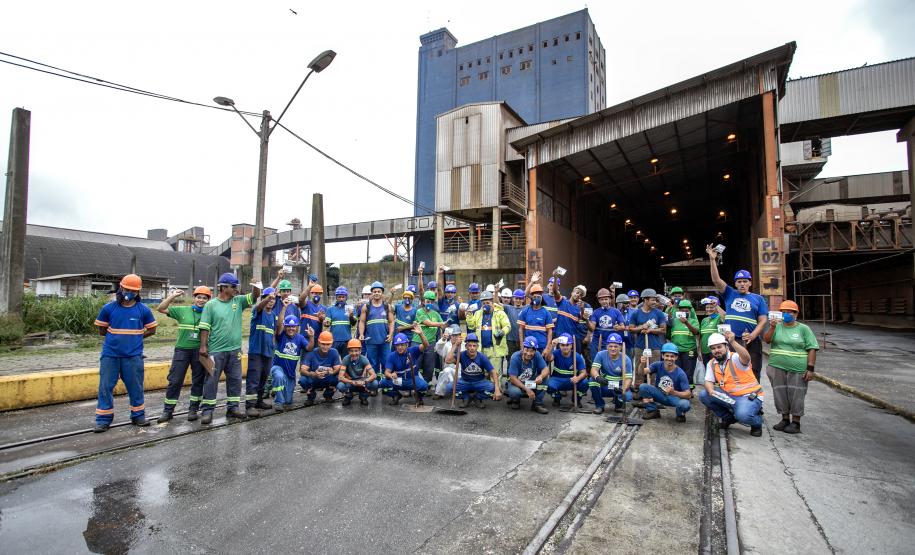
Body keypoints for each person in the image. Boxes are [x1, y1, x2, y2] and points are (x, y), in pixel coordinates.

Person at [92, 274, 157, 432]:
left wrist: (135, 337)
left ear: (138, 292)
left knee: (135, 387)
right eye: (126, 289)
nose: (128, 292)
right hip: (110, 355)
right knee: (105, 387)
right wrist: (118, 338)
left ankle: (138, 416)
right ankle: (103, 419)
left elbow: (152, 329)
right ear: (120, 288)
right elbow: (102, 330)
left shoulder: (143, 310)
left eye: (132, 290)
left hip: (133, 356)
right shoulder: (108, 308)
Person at [198, 272, 260, 425]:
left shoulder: (238, 301)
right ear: (223, 287)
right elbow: (204, 327)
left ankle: (233, 408)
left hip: (235, 351)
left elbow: (254, 297)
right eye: (233, 287)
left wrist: (256, 286)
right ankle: (207, 410)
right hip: (216, 351)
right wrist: (203, 345)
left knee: (235, 380)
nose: (235, 290)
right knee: (211, 380)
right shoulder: (211, 305)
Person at [706, 244, 769, 380]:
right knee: (730, 369)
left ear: (750, 283)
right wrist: (712, 260)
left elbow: (763, 321)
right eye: (739, 281)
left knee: (753, 370)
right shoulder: (730, 294)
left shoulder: (758, 299)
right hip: (731, 339)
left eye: (745, 281)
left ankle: (753, 397)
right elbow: (716, 280)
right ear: (735, 284)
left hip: (751, 341)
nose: (742, 284)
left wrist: (753, 335)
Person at [156, 286, 211, 423]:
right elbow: (161, 309)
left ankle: (193, 410)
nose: (201, 300)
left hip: (200, 351)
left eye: (204, 298)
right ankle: (168, 411)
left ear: (208, 300)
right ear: (194, 298)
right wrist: (172, 296)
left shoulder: (210, 314)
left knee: (198, 381)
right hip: (182, 350)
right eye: (199, 297)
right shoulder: (182, 310)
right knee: (175, 380)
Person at [762, 300, 818, 434]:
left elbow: (812, 348)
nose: (786, 314)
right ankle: (785, 419)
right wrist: (772, 327)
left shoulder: (803, 329)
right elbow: (767, 340)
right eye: (784, 312)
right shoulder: (777, 327)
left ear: (796, 314)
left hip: (797, 368)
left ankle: (796, 422)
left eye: (789, 312)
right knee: (780, 393)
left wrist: (810, 369)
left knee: (796, 394)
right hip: (776, 366)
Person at [698, 332, 764, 437]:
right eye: (713, 348)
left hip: (748, 396)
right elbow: (708, 381)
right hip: (729, 396)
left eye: (719, 347)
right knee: (704, 395)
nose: (717, 350)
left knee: (743, 415)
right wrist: (711, 390)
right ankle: (728, 418)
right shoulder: (711, 363)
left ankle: (757, 422)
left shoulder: (735, 358)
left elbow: (746, 358)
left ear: (726, 346)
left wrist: (733, 341)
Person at [243, 287, 278, 417]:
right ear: (263, 299)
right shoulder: (257, 311)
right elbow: (259, 306)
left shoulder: (273, 316)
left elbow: (276, 332)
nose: (271, 301)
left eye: (273, 299)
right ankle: (250, 405)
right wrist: (269, 295)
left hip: (268, 352)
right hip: (256, 351)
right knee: (254, 378)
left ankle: (258, 401)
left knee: (263, 377)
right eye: (268, 298)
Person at [627, 288, 667, 401]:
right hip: (640, 346)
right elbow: (631, 329)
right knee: (639, 369)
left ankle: (652, 391)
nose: (655, 302)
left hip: (655, 347)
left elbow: (663, 330)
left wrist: (650, 330)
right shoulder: (636, 314)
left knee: (654, 369)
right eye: (652, 300)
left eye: (655, 300)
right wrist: (641, 327)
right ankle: (638, 390)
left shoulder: (659, 313)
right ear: (645, 300)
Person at [269, 309, 313, 411]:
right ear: (285, 327)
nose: (291, 329)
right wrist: (283, 308)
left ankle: (278, 389)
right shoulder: (281, 335)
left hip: (290, 374)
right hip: (277, 368)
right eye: (288, 326)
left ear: (297, 327)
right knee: (278, 376)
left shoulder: (300, 338)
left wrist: (311, 337)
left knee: (288, 401)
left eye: (293, 326)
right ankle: (278, 402)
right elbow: (279, 324)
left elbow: (309, 348)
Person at [466, 290, 512, 388]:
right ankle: (486, 391)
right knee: (483, 373)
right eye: (483, 303)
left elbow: (507, 326)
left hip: (495, 349)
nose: (486, 305)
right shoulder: (478, 313)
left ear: (492, 303)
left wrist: (502, 332)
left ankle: (497, 390)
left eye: (488, 303)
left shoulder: (500, 313)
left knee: (495, 372)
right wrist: (469, 315)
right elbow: (471, 326)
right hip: (481, 349)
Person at [638, 342, 692, 422]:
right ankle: (653, 410)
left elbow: (688, 394)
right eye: (667, 356)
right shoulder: (658, 365)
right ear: (663, 356)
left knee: (685, 404)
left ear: (676, 357)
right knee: (643, 387)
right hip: (659, 394)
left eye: (672, 356)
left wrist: (674, 392)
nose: (669, 358)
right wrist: (642, 364)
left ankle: (680, 414)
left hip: (673, 398)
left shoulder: (681, 373)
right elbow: (641, 372)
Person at [446, 333, 501, 408]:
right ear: (466, 347)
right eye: (469, 345)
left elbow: (493, 372)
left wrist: (497, 389)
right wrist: (455, 345)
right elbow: (447, 360)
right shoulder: (461, 354)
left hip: (480, 382)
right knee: (449, 388)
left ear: (477, 347)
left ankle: (478, 397)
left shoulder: (482, 357)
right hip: (464, 381)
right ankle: (466, 397)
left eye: (474, 346)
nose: (472, 348)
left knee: (493, 388)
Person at [381, 326, 430, 405]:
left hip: (412, 379)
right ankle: (396, 395)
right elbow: (387, 372)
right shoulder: (391, 356)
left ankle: (418, 396)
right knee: (383, 384)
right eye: (397, 345)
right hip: (399, 380)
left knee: (424, 386)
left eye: (402, 345)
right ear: (395, 346)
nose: (400, 347)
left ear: (407, 344)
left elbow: (426, 345)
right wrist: (391, 375)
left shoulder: (413, 350)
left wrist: (421, 334)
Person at [358, 281, 395, 384]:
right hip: (371, 341)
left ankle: (385, 385)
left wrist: (391, 334)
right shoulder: (367, 307)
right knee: (372, 364)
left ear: (382, 293)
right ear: (372, 293)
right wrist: (361, 334)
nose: (376, 293)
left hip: (384, 341)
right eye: (374, 291)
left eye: (379, 291)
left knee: (386, 363)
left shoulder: (387, 306)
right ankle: (374, 385)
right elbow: (361, 322)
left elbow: (392, 322)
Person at [588, 333, 633, 414]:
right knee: (592, 381)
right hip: (606, 384)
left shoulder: (626, 359)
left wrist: (623, 388)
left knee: (628, 396)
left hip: (619, 386)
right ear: (607, 346)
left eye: (615, 346)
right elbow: (593, 370)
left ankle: (618, 404)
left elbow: (628, 378)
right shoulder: (600, 354)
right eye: (610, 346)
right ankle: (599, 406)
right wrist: (597, 377)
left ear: (620, 347)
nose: (613, 348)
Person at [506, 337, 550, 414]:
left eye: (532, 351)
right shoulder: (515, 357)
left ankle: (537, 404)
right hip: (516, 384)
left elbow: (546, 369)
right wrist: (527, 389)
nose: (529, 353)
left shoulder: (537, 355)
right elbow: (513, 379)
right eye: (527, 350)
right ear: (523, 348)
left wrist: (541, 376)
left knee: (545, 378)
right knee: (515, 393)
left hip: (529, 383)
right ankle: (515, 400)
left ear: (535, 350)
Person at [544, 333, 588, 409]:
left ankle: (576, 399)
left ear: (571, 345)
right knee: (547, 385)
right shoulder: (556, 353)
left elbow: (584, 373)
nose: (565, 347)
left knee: (585, 383)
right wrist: (552, 346)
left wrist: (578, 378)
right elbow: (548, 358)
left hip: (571, 380)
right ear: (559, 345)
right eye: (562, 345)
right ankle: (557, 398)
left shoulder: (576, 356)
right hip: (557, 379)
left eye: (567, 345)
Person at [299, 331, 343, 406]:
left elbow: (338, 368)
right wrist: (313, 374)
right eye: (323, 344)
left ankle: (329, 394)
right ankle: (311, 395)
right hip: (314, 379)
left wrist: (332, 372)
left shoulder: (334, 352)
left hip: (327, 378)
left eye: (328, 344)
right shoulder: (311, 352)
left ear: (331, 344)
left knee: (338, 377)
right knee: (303, 380)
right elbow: (302, 370)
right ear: (319, 343)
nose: (325, 347)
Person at [414, 290, 447, 383]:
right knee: (415, 365)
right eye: (428, 301)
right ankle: (414, 387)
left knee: (429, 367)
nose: (430, 303)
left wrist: (448, 326)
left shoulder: (435, 314)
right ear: (424, 301)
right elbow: (428, 323)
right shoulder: (419, 311)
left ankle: (425, 386)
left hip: (431, 344)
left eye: (432, 301)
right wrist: (441, 323)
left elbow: (443, 325)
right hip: (418, 342)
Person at [669, 299, 700, 388]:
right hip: (676, 351)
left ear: (690, 311)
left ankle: (688, 390)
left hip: (689, 350)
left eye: (686, 310)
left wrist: (686, 322)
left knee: (688, 373)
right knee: (676, 371)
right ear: (679, 311)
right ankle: (678, 389)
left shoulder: (693, 321)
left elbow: (696, 332)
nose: (684, 312)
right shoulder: (673, 321)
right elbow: (667, 333)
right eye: (682, 310)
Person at [337, 338, 378, 406]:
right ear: (348, 351)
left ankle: (363, 396)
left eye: (356, 351)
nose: (354, 353)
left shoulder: (364, 359)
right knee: (340, 385)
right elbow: (340, 377)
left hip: (362, 382)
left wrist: (365, 381)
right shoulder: (345, 359)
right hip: (351, 381)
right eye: (351, 351)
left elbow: (374, 375)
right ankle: (348, 396)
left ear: (360, 351)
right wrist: (352, 382)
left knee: (375, 383)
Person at [517, 284, 554, 352]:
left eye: (539, 296)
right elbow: (520, 329)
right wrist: (522, 346)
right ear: (531, 297)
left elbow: (550, 332)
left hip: (542, 347)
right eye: (534, 296)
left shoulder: (546, 313)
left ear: (542, 297)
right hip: (528, 347)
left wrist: (547, 348)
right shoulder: (525, 311)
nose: (536, 297)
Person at [590, 288, 626, 353]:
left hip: (611, 343)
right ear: (599, 301)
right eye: (602, 299)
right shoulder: (595, 312)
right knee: (596, 362)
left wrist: (618, 327)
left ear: (609, 299)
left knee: (609, 362)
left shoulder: (616, 311)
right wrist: (586, 320)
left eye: (606, 299)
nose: (604, 301)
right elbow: (592, 328)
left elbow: (623, 327)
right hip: (597, 342)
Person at [433, 325, 463, 399]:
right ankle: (439, 393)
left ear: (460, 335)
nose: (454, 337)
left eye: (457, 335)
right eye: (453, 335)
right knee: (446, 371)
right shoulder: (447, 345)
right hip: (450, 374)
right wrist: (443, 339)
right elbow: (438, 349)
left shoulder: (465, 345)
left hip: (462, 373)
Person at [327, 286, 356, 355]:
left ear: (346, 297)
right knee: (333, 361)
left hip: (346, 340)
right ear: (336, 297)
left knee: (346, 361)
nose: (341, 299)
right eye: (339, 297)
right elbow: (327, 324)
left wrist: (351, 316)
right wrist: (325, 322)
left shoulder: (351, 309)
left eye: (343, 297)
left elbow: (354, 323)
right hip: (334, 340)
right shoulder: (330, 309)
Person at [699, 297, 722, 371]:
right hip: (704, 351)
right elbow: (701, 337)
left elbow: (725, 317)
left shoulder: (719, 318)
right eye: (707, 307)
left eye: (711, 307)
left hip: (716, 351)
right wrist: (699, 351)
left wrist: (717, 306)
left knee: (717, 371)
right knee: (708, 372)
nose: (709, 309)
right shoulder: (704, 320)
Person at [502, 288, 525, 361]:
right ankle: (510, 372)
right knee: (510, 359)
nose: (518, 300)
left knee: (522, 359)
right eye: (516, 298)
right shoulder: (508, 308)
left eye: (520, 298)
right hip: (510, 340)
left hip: (523, 339)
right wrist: (496, 292)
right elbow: (497, 302)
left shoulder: (526, 308)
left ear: (523, 299)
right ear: (513, 299)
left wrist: (531, 282)